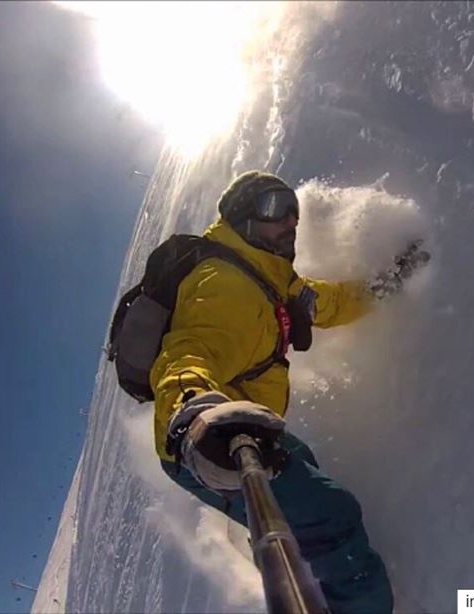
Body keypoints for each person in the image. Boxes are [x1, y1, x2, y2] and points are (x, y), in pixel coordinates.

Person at [150, 171, 430, 613]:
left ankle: (310, 574)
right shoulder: (224, 283)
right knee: (332, 515)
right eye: (271, 206)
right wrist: (193, 411)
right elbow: (187, 354)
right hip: (206, 444)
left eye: (293, 211)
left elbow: (331, 302)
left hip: (244, 425)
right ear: (241, 218)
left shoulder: (276, 281)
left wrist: (386, 284)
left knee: (302, 465)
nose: (289, 222)